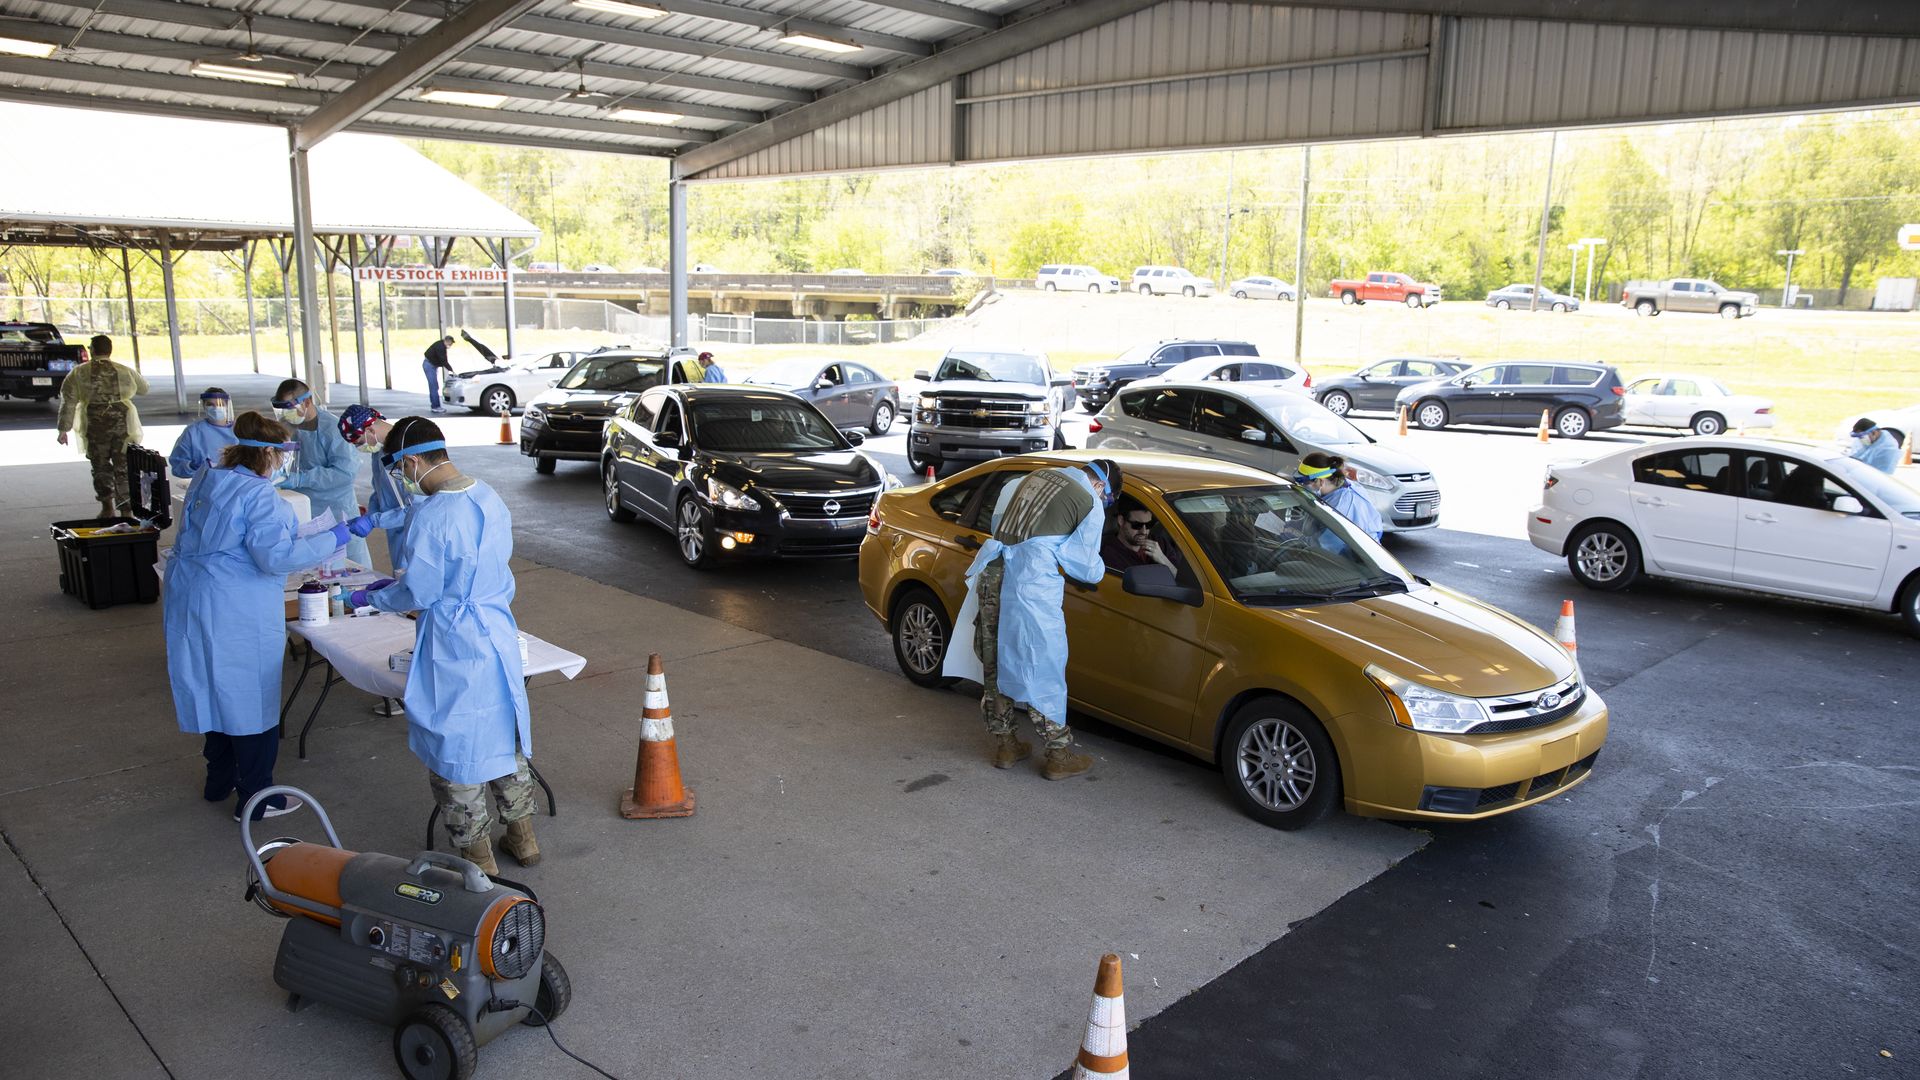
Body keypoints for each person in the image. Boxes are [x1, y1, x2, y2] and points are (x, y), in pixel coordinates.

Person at [351, 419, 539, 875]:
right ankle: (524, 837)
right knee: (502, 732)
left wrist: (372, 596)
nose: (401, 479)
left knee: (453, 744)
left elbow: (418, 592)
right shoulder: (488, 496)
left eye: (398, 470)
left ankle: (478, 859)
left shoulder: (433, 517)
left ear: (411, 462)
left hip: (454, 639)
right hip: (496, 628)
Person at [164, 411, 351, 821]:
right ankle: (257, 798)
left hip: (195, 597)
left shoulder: (209, 477)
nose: (283, 464)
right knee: (250, 697)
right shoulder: (260, 495)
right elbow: (275, 557)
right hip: (236, 607)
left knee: (215, 691)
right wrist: (336, 536)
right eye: (282, 456)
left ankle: (219, 780)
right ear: (268, 452)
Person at [954, 459, 1116, 780]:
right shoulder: (1090, 503)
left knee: (995, 661)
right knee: (1044, 666)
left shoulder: (1035, 477)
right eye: (1107, 500)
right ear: (1101, 488)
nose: (1103, 505)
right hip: (1029, 587)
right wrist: (1099, 568)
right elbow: (1084, 566)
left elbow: (1000, 523)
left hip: (994, 574)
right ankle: (1058, 754)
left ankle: (1006, 745)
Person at [272, 378, 371, 567]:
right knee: (314, 566)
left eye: (289, 408)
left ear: (307, 402)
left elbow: (344, 473)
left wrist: (301, 479)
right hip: (306, 509)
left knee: (352, 567)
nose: (286, 414)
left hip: (337, 509)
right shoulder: (290, 427)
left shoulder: (332, 429)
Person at [56, 334, 149, 517]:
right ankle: (126, 511)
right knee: (123, 466)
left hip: (95, 425)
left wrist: (63, 429)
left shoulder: (78, 372)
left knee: (100, 466)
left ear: (92, 349)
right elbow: (144, 388)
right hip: (124, 425)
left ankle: (107, 507)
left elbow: (68, 402)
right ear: (110, 350)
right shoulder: (124, 370)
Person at [338, 404, 410, 573]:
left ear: (370, 430)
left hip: (416, 533)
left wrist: (374, 520)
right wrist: (371, 513)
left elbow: (418, 507)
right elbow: (380, 490)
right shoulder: (380, 451)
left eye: (360, 442)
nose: (360, 448)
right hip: (397, 530)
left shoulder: (406, 448)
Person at [1295, 452, 1383, 549]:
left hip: (1351, 559)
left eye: (1304, 482)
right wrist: (1295, 524)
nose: (1302, 486)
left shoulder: (1340, 505)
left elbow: (1326, 547)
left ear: (1321, 481)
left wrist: (1296, 538)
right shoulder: (1341, 486)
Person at [168, 387, 238, 478]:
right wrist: (191, 467)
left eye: (220, 404)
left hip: (235, 482)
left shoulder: (239, 429)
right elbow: (177, 466)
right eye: (210, 405)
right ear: (204, 406)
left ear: (227, 406)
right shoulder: (193, 432)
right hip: (205, 484)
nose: (216, 408)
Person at [1101, 497, 1182, 575]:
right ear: (1121, 521)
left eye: (1149, 525)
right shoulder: (1109, 554)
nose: (1143, 531)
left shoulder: (1160, 543)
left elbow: (1183, 580)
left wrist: (1163, 560)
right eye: (1137, 525)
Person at [423, 334, 456, 413]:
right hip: (429, 366)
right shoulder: (440, 347)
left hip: (432, 365)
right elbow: (443, 361)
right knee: (433, 386)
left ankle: (434, 405)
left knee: (434, 386)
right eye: (451, 343)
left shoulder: (441, 345)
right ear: (448, 341)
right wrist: (451, 370)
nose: (451, 345)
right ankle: (435, 406)